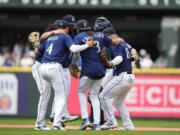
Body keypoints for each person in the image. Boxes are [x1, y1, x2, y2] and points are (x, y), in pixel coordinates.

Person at [35, 19, 95, 130]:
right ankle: (57, 124)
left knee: (45, 96)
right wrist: (87, 45)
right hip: (55, 67)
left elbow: (37, 51)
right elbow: (73, 49)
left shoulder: (49, 37)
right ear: (67, 28)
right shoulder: (65, 36)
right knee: (61, 96)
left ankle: (39, 124)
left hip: (43, 67)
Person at [74, 19, 123, 130]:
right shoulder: (100, 35)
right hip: (101, 70)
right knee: (95, 96)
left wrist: (73, 64)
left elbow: (74, 51)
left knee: (81, 92)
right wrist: (123, 42)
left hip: (88, 69)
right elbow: (115, 42)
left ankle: (85, 119)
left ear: (78, 29)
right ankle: (96, 124)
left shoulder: (78, 37)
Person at [41, 15, 79, 123]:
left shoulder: (71, 33)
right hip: (52, 64)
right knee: (58, 94)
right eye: (70, 25)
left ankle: (63, 114)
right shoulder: (54, 30)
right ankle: (54, 116)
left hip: (64, 65)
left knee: (64, 92)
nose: (72, 27)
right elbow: (42, 38)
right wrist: (53, 32)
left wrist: (73, 64)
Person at [99, 27, 136, 130]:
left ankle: (111, 121)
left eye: (106, 37)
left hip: (123, 76)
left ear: (111, 36)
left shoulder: (116, 44)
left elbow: (119, 58)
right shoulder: (122, 45)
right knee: (118, 102)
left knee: (103, 96)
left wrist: (110, 63)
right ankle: (128, 126)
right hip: (130, 76)